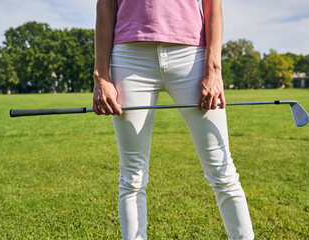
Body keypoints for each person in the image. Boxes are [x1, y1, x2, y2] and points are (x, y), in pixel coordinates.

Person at [93, 0, 254, 239]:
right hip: (129, 57)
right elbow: (106, 4)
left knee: (221, 169)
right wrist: (100, 75)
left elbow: (213, 4)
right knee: (132, 177)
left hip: (191, 56)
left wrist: (214, 69)